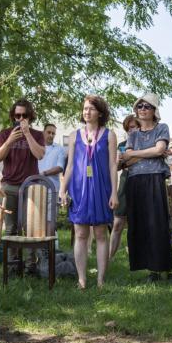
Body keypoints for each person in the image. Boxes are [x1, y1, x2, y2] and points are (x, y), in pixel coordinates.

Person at [59, 95, 118, 289]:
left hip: (101, 188)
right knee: (80, 233)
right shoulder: (75, 135)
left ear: (100, 112)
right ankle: (82, 279)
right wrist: (62, 189)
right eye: (85, 109)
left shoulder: (109, 135)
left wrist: (114, 193)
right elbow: (69, 167)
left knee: (101, 233)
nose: (87, 112)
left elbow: (112, 165)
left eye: (91, 109)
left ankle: (101, 279)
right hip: (79, 188)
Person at [121, 93, 172, 282]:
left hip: (154, 179)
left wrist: (138, 153)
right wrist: (150, 152)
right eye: (140, 106)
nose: (142, 109)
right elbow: (126, 159)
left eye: (147, 106)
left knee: (157, 224)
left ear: (154, 111)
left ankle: (164, 269)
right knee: (139, 225)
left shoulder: (162, 128)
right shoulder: (133, 134)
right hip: (134, 181)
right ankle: (150, 270)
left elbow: (160, 150)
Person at [0, 99, 45, 271]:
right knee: (10, 228)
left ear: (30, 116)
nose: (21, 118)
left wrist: (28, 134)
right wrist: (9, 141)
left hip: (31, 186)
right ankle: (12, 267)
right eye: (17, 115)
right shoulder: (4, 133)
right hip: (10, 185)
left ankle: (31, 267)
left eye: (24, 115)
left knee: (30, 228)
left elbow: (39, 155)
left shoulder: (37, 134)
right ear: (13, 116)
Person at [109, 114, 139, 259]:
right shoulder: (122, 145)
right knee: (118, 223)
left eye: (133, 127)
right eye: (128, 129)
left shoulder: (147, 143)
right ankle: (108, 257)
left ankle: (138, 256)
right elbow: (116, 167)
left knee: (139, 224)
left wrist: (130, 160)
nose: (130, 131)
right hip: (125, 182)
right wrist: (120, 161)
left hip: (141, 182)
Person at [38, 123, 66, 192]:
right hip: (36, 187)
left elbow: (60, 167)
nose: (51, 135)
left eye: (53, 133)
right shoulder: (36, 147)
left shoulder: (60, 149)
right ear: (43, 132)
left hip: (52, 189)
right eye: (49, 132)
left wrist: (44, 174)